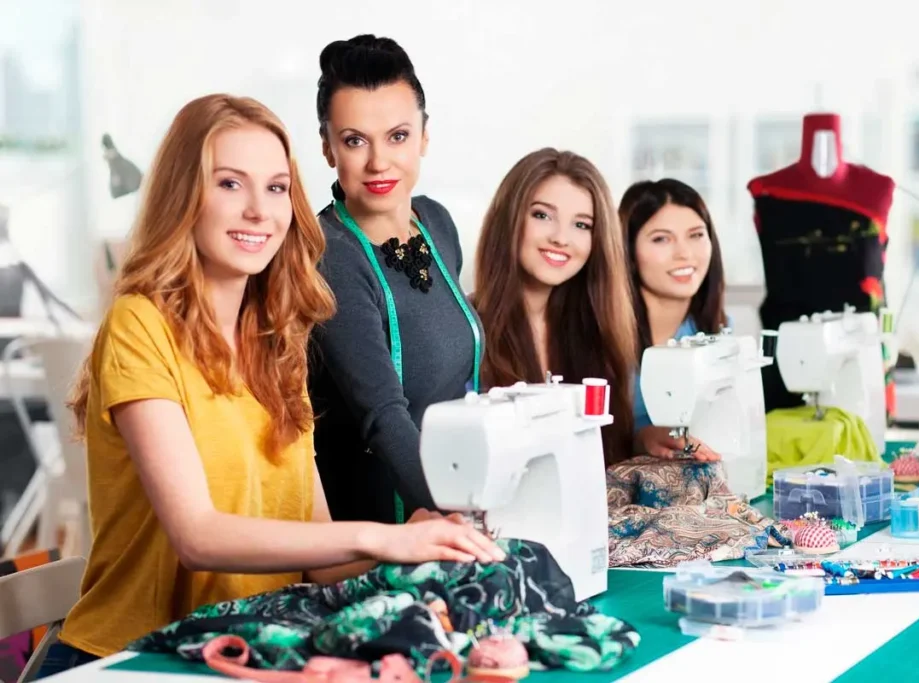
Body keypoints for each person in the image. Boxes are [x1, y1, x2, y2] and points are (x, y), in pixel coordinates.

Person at [39, 94, 503, 678]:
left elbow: (319, 555)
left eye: (277, 188)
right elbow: (198, 536)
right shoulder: (141, 325)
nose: (259, 210)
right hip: (130, 659)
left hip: (245, 650)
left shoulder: (277, 344)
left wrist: (419, 543)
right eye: (230, 184)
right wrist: (385, 542)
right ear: (184, 196)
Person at [308, 35, 483, 526]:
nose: (379, 162)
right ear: (327, 147)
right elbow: (383, 415)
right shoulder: (329, 256)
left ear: (424, 136)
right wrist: (451, 520)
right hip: (388, 522)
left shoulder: (437, 223)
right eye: (355, 140)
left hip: (453, 495)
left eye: (398, 136)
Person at [473, 148, 636, 466]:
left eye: (582, 225)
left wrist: (646, 437)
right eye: (542, 215)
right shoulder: (465, 331)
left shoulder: (596, 335)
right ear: (508, 220)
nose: (561, 238)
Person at [619, 178, 728, 461]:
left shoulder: (716, 331)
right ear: (628, 252)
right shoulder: (601, 335)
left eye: (696, 235)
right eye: (661, 239)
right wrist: (641, 439)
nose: (684, 253)